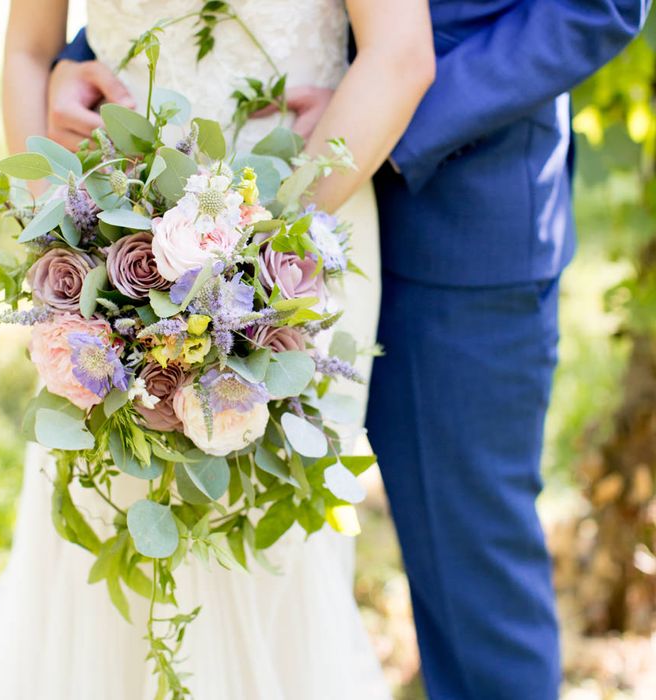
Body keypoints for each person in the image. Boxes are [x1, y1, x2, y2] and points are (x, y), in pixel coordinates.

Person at [46, 1, 650, 699]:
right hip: (251, 210)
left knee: (474, 583)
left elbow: (595, 9)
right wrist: (79, 57)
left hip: (460, 221)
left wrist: (377, 119)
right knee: (255, 573)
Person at [0, 1, 435, 698]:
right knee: (106, 527)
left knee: (276, 559)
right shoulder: (93, 247)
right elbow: (26, 50)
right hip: (113, 231)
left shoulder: (279, 256)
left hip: (298, 246)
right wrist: (61, 236)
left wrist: (254, 262)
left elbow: (402, 52)